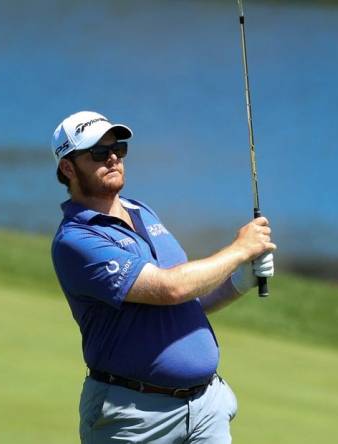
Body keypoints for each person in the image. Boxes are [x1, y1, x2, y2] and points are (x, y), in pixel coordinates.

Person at [50, 110, 275, 444]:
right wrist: (239, 250)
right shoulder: (76, 240)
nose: (113, 158)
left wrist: (239, 281)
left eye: (118, 149)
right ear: (68, 168)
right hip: (136, 418)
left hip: (205, 408)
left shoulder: (142, 211)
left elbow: (188, 300)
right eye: (98, 152)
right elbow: (170, 288)